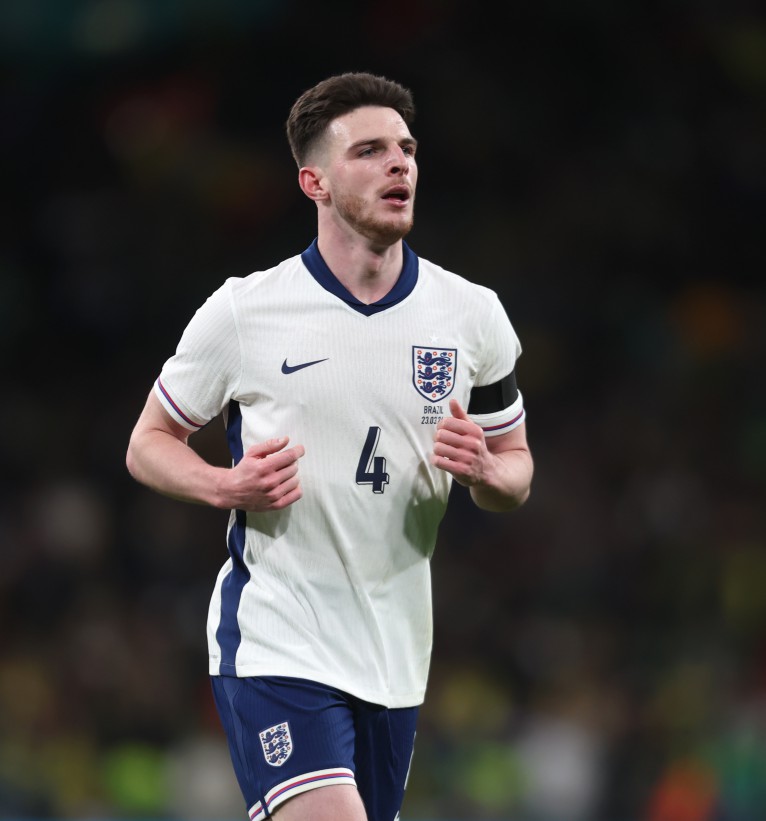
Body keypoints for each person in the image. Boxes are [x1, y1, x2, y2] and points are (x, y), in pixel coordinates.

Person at [126, 71, 534, 821]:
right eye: (371, 150)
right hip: (278, 640)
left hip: (394, 654)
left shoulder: (473, 316)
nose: (399, 164)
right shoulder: (246, 312)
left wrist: (485, 471)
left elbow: (517, 469)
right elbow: (148, 441)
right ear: (314, 180)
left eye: (406, 149)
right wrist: (224, 485)